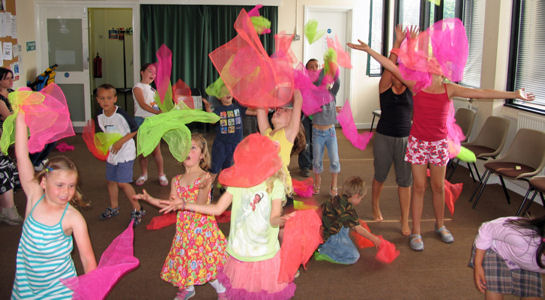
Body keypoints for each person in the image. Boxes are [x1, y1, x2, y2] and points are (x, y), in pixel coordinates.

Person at [348, 36, 534, 251]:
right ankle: (416, 231)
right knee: (418, 187)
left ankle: (440, 225)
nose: (436, 64)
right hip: (418, 143)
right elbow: (390, 65)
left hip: (438, 144)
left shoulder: (450, 88)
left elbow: (481, 93)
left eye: (440, 62)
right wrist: (368, 50)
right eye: (432, 61)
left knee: (438, 187)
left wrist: (513, 94)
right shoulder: (416, 85)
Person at [159, 133, 296, 299]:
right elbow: (217, 209)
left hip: (264, 252)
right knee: (240, 291)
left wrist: (282, 220)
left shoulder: (275, 184)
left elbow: (274, 219)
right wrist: (184, 205)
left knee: (262, 293)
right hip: (240, 250)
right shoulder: (239, 182)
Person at [11, 112, 97, 298]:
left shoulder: (73, 218)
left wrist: (91, 292)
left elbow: (87, 258)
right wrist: (20, 117)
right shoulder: (34, 197)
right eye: (59, 186)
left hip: (60, 290)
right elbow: (21, 157)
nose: (66, 192)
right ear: (43, 183)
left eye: (71, 186)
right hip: (26, 287)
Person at [133, 134, 227, 300]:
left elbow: (200, 206)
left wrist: (198, 192)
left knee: (206, 264)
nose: (188, 151)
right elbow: (170, 205)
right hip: (184, 230)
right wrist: (151, 199)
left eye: (193, 148)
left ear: (202, 155)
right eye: (184, 148)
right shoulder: (176, 180)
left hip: (202, 231)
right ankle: (188, 287)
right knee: (185, 259)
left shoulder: (204, 178)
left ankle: (220, 288)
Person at [371, 25, 416, 236]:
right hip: (383, 138)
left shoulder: (413, 89)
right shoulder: (384, 87)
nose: (398, 72)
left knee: (404, 181)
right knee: (380, 175)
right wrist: (398, 43)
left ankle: (405, 220)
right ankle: (375, 206)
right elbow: (388, 65)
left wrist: (412, 45)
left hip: (406, 139)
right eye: (395, 69)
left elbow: (416, 68)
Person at [95, 84, 144, 226]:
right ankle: (114, 207)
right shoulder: (99, 115)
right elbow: (102, 133)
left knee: (123, 182)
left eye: (109, 98)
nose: (105, 101)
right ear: (97, 99)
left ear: (115, 99)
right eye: (102, 98)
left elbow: (134, 129)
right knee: (111, 180)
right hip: (112, 153)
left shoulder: (121, 115)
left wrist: (120, 142)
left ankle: (138, 209)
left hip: (125, 152)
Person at [471, 216, 545, 299]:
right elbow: (487, 228)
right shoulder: (522, 237)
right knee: (495, 292)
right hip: (495, 249)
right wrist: (478, 265)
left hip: (527, 260)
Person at [314, 176, 381, 264]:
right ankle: (323, 251)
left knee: (349, 224)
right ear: (356, 196)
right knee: (354, 256)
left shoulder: (337, 198)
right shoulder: (347, 210)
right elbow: (358, 229)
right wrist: (374, 239)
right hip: (329, 237)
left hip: (325, 229)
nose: (361, 200)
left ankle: (329, 244)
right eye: (361, 198)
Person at [256, 89, 303, 204]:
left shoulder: (288, 133)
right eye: (280, 108)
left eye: (286, 110)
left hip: (282, 189)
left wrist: (295, 89)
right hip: (267, 186)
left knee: (279, 220)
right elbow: (260, 107)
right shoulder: (266, 133)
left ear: (291, 120)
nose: (280, 109)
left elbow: (298, 101)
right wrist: (263, 87)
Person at [202, 88, 246, 191]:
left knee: (228, 169)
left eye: (229, 91)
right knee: (215, 169)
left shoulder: (238, 108)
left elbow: (254, 112)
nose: (227, 94)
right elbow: (212, 121)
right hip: (221, 145)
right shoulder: (218, 110)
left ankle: (224, 187)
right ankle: (207, 188)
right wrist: (208, 108)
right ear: (219, 97)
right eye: (223, 92)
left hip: (235, 145)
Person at [132, 63, 168, 187]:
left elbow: (156, 104)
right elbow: (142, 104)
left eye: (155, 73)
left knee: (156, 150)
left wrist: (162, 111)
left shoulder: (153, 90)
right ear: (142, 72)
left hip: (153, 122)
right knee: (143, 151)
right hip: (142, 121)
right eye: (150, 71)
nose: (153, 74)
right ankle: (143, 174)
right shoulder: (137, 87)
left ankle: (161, 174)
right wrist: (157, 112)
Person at [310, 62, 341, 197]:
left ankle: (334, 184)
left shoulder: (332, 93)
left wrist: (332, 68)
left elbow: (338, 81)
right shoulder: (315, 94)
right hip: (317, 132)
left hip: (331, 132)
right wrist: (323, 71)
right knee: (317, 160)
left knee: (334, 159)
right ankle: (317, 180)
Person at [0, 67, 22, 225]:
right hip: (4, 136)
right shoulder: (0, 100)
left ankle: (6, 209)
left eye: (11, 77)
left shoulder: (11, 92)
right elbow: (10, 118)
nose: (10, 81)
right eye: (7, 78)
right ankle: (9, 210)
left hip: (10, 134)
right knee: (5, 168)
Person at [298, 59, 319, 178]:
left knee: (315, 140)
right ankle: (304, 165)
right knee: (305, 141)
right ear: (306, 70)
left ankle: (312, 161)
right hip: (305, 116)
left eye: (316, 66)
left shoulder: (321, 83)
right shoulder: (303, 83)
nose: (314, 69)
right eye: (311, 67)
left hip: (317, 117)